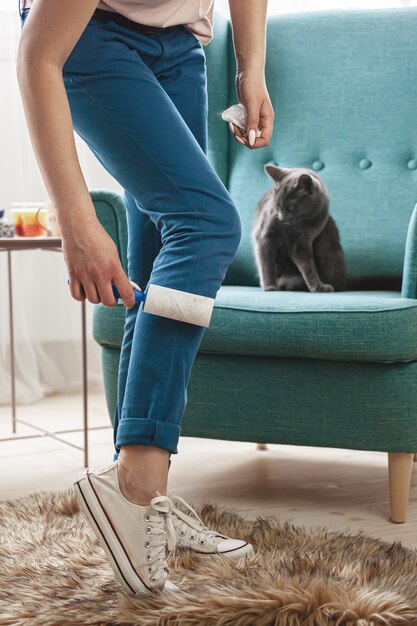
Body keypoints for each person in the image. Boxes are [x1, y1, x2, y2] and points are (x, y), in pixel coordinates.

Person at [17, 0, 274, 597]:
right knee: (206, 223)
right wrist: (75, 220)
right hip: (87, 35)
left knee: (163, 252)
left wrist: (249, 68)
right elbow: (36, 53)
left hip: (180, 46)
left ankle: (143, 500)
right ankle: (135, 483)